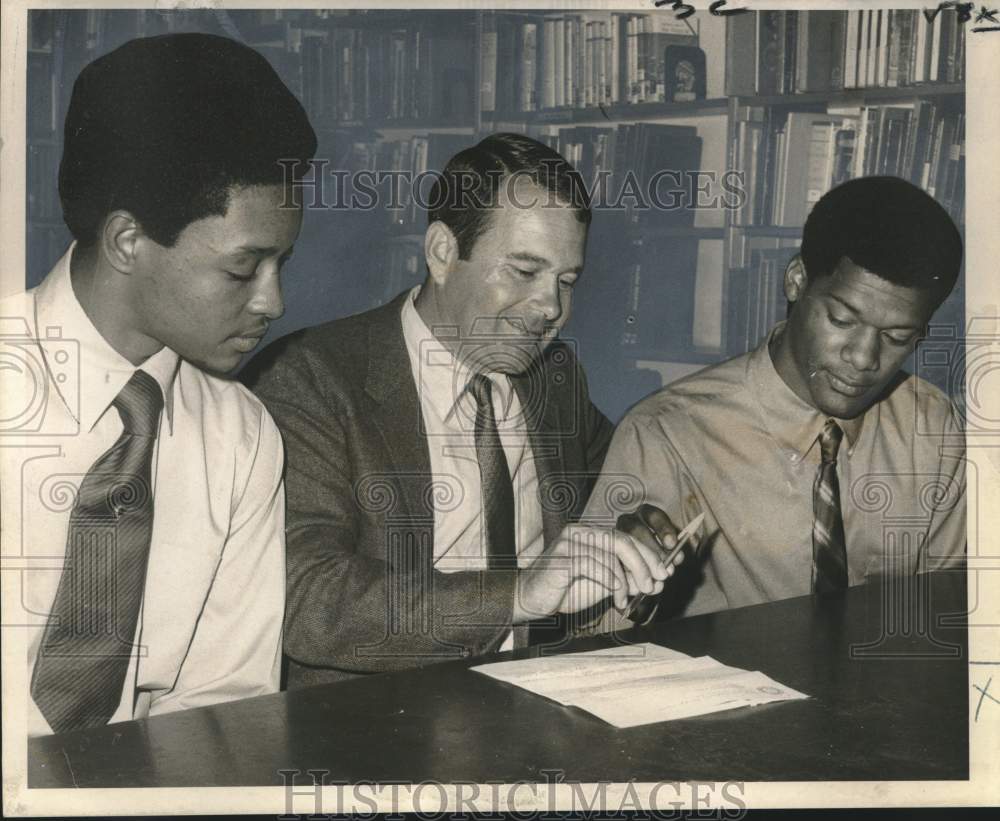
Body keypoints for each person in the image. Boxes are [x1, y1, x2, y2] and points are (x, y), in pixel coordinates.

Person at [244, 133, 680, 688]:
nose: (550, 308)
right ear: (443, 253)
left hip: (534, 703)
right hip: (374, 723)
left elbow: (613, 490)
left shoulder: (555, 379)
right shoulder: (309, 378)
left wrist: (634, 532)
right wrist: (518, 596)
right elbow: (306, 599)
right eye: (524, 272)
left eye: (566, 282)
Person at [1, 33, 316, 736]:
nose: (274, 302)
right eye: (244, 268)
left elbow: (224, 706)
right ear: (126, 241)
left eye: (283, 263)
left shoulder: (240, 434)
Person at [584, 176, 966, 625]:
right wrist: (630, 587)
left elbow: (950, 613)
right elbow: (595, 634)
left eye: (898, 337)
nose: (864, 358)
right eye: (842, 320)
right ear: (796, 280)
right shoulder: (667, 431)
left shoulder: (933, 426)